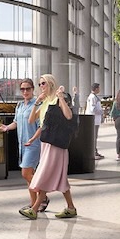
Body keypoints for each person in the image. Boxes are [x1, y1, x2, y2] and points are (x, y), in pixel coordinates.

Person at [26, 85, 78, 219]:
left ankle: (35, 208)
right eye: (39, 83)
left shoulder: (60, 102)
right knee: (59, 179)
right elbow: (34, 121)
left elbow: (68, 115)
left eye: (43, 83)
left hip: (57, 145)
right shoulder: (46, 103)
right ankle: (70, 207)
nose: (41, 86)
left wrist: (60, 97)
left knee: (46, 174)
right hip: (48, 143)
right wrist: (37, 102)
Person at [0, 78, 45, 213]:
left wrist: (33, 139)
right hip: (22, 144)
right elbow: (16, 122)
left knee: (25, 173)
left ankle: (42, 196)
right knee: (30, 174)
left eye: (28, 89)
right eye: (22, 89)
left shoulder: (37, 105)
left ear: (32, 89)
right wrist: (7, 127)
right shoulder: (19, 106)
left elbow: (40, 126)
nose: (25, 91)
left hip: (33, 144)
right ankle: (34, 202)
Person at [85, 83, 105, 160]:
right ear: (96, 89)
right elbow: (93, 109)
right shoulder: (93, 97)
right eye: (99, 88)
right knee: (93, 136)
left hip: (95, 120)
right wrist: (101, 111)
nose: (99, 90)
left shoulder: (94, 97)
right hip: (93, 120)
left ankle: (94, 151)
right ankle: (92, 152)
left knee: (94, 136)